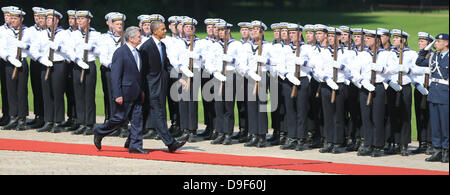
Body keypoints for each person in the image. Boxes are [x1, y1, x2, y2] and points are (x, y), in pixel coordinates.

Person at [94, 26, 147, 154]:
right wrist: (117, 94)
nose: (141, 38)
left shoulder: (138, 52)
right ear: (131, 38)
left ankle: (135, 145)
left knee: (137, 119)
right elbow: (115, 75)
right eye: (138, 36)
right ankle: (100, 131)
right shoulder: (120, 52)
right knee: (119, 118)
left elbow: (138, 74)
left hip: (137, 93)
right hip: (125, 92)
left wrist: (142, 90)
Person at [139, 20, 187, 153]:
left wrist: (179, 78)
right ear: (155, 31)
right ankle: (170, 143)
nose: (165, 31)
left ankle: (129, 140)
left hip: (159, 86)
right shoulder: (146, 47)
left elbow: (167, 65)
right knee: (159, 114)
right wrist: (142, 90)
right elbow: (142, 71)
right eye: (163, 29)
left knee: (144, 115)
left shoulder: (162, 46)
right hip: (150, 88)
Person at [70, 10, 101, 135]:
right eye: (78, 19)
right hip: (78, 65)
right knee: (79, 95)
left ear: (88, 20)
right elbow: (69, 50)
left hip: (90, 65)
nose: (79, 21)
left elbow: (101, 51)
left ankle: (90, 123)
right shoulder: (74, 35)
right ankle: (81, 122)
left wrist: (92, 48)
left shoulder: (96, 34)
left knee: (89, 95)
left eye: (82, 19)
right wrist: (77, 60)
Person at [419, 33, 449, 163]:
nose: (436, 43)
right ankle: (437, 150)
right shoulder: (434, 56)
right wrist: (426, 48)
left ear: (446, 43)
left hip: (445, 94)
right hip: (434, 93)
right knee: (435, 124)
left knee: (446, 124)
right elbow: (419, 61)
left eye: (438, 41)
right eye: (435, 41)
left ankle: (446, 150)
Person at [0, 9, 31, 131]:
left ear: (21, 19)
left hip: (22, 62)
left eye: (15, 18)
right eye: (11, 18)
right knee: (11, 91)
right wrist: (9, 58)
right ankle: (13, 117)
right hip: (10, 63)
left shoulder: (27, 32)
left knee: (21, 91)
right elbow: (1, 49)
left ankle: (22, 119)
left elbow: (34, 47)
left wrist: (25, 46)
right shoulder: (7, 32)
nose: (12, 20)